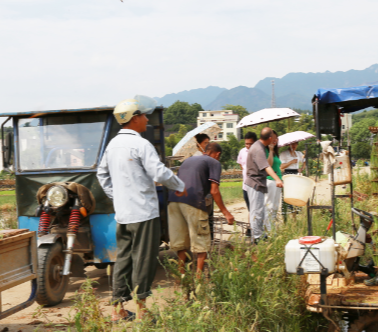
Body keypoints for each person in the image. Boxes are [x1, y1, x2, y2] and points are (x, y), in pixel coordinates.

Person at [97, 98, 187, 322]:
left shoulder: (112, 145)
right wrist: (180, 186)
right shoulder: (141, 144)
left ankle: (117, 310)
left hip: (123, 214)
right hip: (144, 213)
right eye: (144, 116)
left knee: (123, 259)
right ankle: (142, 310)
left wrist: (116, 196)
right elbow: (158, 173)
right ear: (134, 118)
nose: (147, 120)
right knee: (144, 259)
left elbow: (101, 175)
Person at [168, 142, 235, 274]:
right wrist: (226, 213)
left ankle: (180, 277)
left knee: (181, 242)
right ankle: (199, 280)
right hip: (193, 201)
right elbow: (214, 191)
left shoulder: (188, 160)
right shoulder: (214, 162)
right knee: (202, 243)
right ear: (217, 154)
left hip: (173, 201)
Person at [245, 127, 284, 242]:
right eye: (275, 138)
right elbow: (267, 167)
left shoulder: (260, 146)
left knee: (260, 210)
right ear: (270, 138)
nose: (275, 140)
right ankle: (256, 238)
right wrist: (277, 179)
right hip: (255, 183)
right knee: (256, 211)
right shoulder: (259, 149)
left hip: (259, 183)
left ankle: (260, 234)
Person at [265, 130, 283, 231]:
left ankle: (272, 228)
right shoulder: (267, 151)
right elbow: (269, 165)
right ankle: (268, 229)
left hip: (278, 181)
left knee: (275, 207)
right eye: (273, 137)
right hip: (271, 181)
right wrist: (270, 150)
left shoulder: (276, 152)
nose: (275, 140)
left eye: (276, 138)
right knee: (270, 206)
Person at [236, 132, 258, 211]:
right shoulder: (242, 151)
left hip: (256, 186)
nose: (248, 146)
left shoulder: (259, 152)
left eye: (250, 144)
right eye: (246, 144)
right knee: (250, 209)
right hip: (245, 186)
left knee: (256, 209)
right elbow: (241, 164)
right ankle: (251, 223)